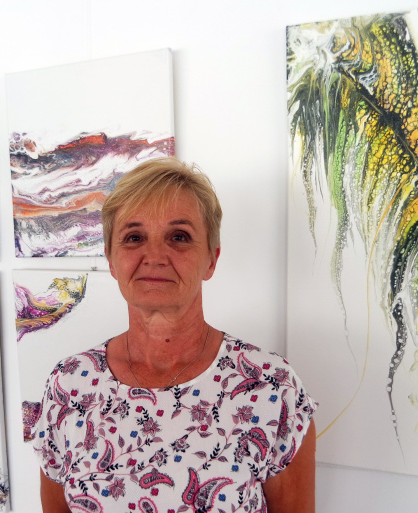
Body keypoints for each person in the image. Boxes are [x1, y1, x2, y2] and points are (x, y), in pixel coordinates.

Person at [32, 157, 317, 513]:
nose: (154, 256)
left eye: (178, 237)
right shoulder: (68, 385)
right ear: (111, 259)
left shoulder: (271, 388)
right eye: (134, 237)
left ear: (211, 259)